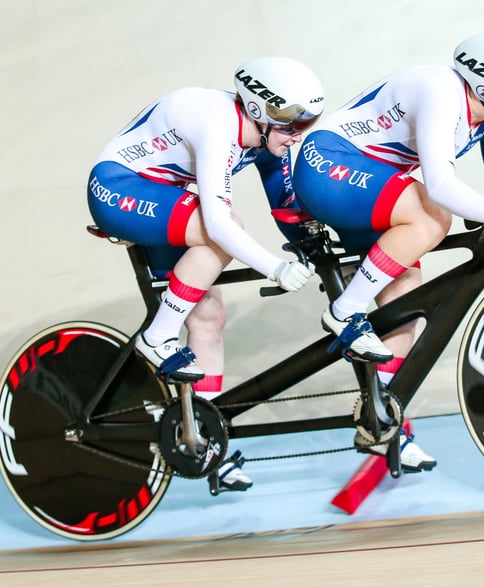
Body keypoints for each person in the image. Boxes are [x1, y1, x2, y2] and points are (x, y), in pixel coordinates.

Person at [292, 32, 484, 472]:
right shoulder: (440, 91)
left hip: (369, 180)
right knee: (433, 215)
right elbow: (440, 185)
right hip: (327, 164)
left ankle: (382, 427)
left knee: (404, 306)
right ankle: (345, 311)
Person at [87, 56, 325, 491]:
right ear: (259, 110)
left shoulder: (268, 138)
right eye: (294, 125)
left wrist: (310, 244)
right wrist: (275, 267)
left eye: (309, 123)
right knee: (221, 237)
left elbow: (285, 202)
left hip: (162, 192)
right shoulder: (217, 124)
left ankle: (209, 443)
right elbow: (217, 223)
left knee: (209, 318)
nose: (300, 135)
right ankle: (156, 338)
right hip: (119, 187)